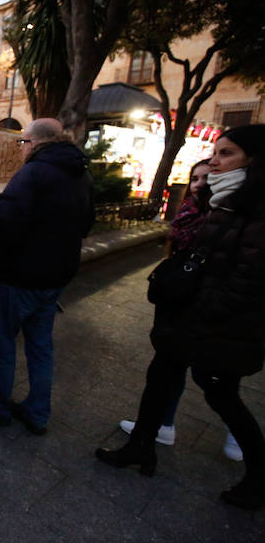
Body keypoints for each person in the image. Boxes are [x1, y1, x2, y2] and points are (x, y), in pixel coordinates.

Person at [96, 125, 265, 510]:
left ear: (252, 159)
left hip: (220, 326)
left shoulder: (253, 210)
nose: (215, 161)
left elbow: (246, 281)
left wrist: (201, 308)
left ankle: (259, 475)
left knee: (222, 396)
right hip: (190, 317)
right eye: (215, 153)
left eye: (226, 154)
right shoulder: (222, 201)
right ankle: (141, 445)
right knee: (160, 379)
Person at [0, 118, 94, 435]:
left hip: (21, 276)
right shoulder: (82, 175)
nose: (21, 148)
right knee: (40, 345)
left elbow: (6, 224)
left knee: (3, 341)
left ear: (36, 143)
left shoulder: (32, 174)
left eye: (23, 142)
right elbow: (86, 225)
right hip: (56, 276)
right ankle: (37, 412)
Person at [118, 159, 241, 460]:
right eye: (195, 178)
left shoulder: (233, 217)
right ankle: (159, 428)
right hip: (180, 306)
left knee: (217, 380)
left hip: (210, 311)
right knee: (167, 372)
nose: (200, 183)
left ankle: (241, 440)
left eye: (207, 177)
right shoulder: (191, 215)